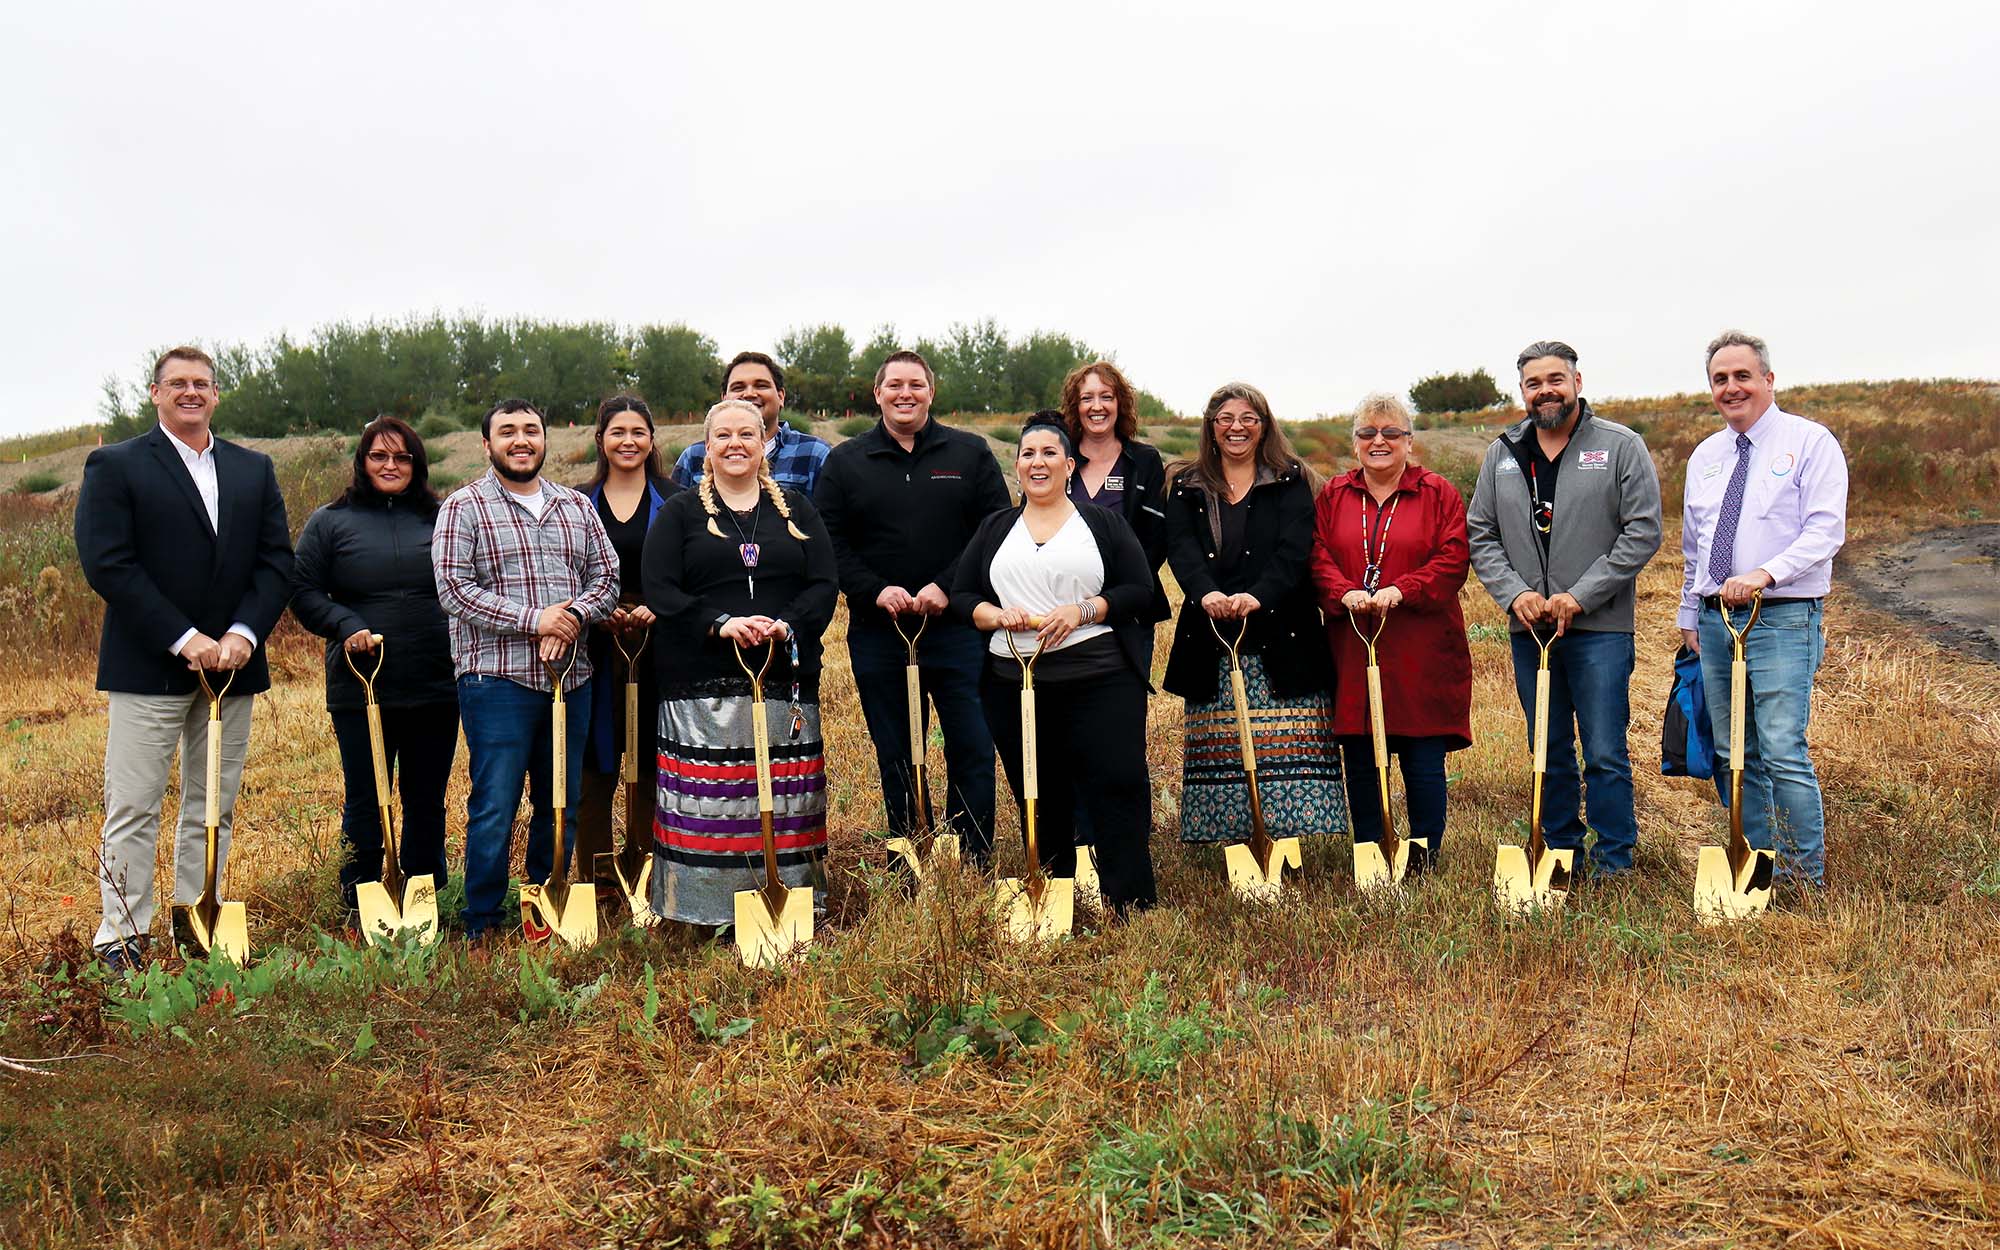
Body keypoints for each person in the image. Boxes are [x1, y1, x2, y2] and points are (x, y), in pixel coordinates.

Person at [74, 345, 294, 968]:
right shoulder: (115, 465)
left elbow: (276, 562)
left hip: (231, 670)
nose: (190, 392)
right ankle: (122, 938)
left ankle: (200, 926)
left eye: (201, 383)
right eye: (178, 384)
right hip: (149, 667)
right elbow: (108, 563)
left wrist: (244, 634)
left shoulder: (254, 469)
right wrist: (183, 636)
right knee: (134, 805)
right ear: (155, 393)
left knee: (213, 806)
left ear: (216, 395)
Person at [1467, 341, 1662, 880]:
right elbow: (1480, 534)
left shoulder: (1621, 446)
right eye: (1533, 382)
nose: (1545, 390)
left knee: (1603, 751)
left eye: (1555, 379)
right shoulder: (1501, 454)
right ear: (1522, 391)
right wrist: (1514, 594)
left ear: (1577, 382)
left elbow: (1643, 530)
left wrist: (1582, 595)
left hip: (1598, 627)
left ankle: (1614, 861)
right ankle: (1560, 855)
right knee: (1547, 750)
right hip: (1530, 630)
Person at [642, 399, 838, 926]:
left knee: (781, 796)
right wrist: (720, 622)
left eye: (746, 435)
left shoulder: (796, 509)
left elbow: (823, 582)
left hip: (781, 676)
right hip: (699, 681)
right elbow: (660, 587)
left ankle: (790, 903)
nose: (735, 444)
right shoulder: (681, 512)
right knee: (718, 802)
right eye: (723, 435)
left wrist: (787, 624)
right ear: (707, 448)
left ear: (762, 444)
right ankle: (705, 908)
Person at [952, 416, 1158, 911]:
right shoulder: (996, 527)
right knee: (1037, 792)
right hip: (1014, 682)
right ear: (1016, 466)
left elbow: (1140, 590)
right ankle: (1053, 893)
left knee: (1117, 783)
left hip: (1099, 680)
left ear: (1069, 465)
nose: (1036, 462)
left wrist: (1083, 610)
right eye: (1027, 454)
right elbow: (963, 596)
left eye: (1049, 454)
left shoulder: (1102, 523)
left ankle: (1129, 899)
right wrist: (995, 616)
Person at [432, 398, 619, 940]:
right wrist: (535, 620)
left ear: (545, 440)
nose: (521, 440)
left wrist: (573, 617)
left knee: (561, 799)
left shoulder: (575, 507)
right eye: (507, 431)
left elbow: (606, 579)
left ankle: (545, 907)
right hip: (497, 680)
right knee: (495, 802)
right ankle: (483, 919)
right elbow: (453, 589)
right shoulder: (464, 507)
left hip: (571, 678)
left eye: (531, 431)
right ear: (485, 443)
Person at [816, 349, 1013, 863]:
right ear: (877, 393)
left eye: (916, 385)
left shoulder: (970, 454)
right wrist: (873, 589)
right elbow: (828, 540)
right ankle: (908, 855)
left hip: (957, 631)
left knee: (971, 743)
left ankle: (971, 853)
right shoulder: (846, 462)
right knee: (898, 751)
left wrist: (948, 587)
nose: (906, 394)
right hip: (879, 633)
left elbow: (994, 531)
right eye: (894, 385)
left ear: (932, 392)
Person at [1678, 330, 1847, 889]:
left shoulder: (1810, 442)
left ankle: (1804, 877)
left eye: (1742, 376)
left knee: (1782, 749)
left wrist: (1763, 574)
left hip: (1780, 614)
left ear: (1768, 380)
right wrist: (1688, 612)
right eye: (1720, 379)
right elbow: (1694, 544)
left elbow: (1825, 530)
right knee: (1734, 751)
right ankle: (1756, 868)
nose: (1732, 388)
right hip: (1714, 619)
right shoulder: (1706, 455)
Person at [1162, 383, 1348, 851]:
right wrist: (1206, 594)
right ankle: (1238, 845)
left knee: (1285, 743)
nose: (1236, 428)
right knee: (1223, 744)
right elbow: (1181, 550)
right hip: (1214, 633)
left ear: (1264, 425)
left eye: (1248, 418)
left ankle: (1287, 844)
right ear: (1211, 427)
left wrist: (1256, 596)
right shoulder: (1187, 486)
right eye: (1225, 419)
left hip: (1283, 630)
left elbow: (1294, 550)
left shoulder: (1292, 480)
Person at [291, 416, 457, 924]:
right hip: (362, 682)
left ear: (417, 463)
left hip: (436, 680)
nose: (391, 465)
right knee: (367, 793)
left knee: (426, 798)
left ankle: (425, 898)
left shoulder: (443, 516)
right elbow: (303, 590)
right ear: (362, 463)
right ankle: (360, 897)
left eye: (402, 456)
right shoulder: (330, 521)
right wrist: (345, 624)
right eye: (379, 456)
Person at [1309, 394, 1472, 871]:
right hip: (1354, 642)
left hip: (1419, 642)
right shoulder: (1334, 495)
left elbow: (1452, 557)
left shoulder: (1438, 492)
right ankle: (1371, 853)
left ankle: (1424, 857)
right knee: (1362, 752)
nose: (1378, 441)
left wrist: (1404, 589)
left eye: (1390, 433)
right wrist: (1343, 591)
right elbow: (1317, 554)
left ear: (1408, 441)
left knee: (1421, 754)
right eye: (1367, 433)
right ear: (1355, 443)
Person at [574, 395, 679, 898]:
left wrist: (659, 608)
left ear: (652, 441)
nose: (628, 441)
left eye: (638, 432)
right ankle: (597, 880)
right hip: (595, 644)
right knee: (598, 762)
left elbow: (689, 573)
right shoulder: (575, 502)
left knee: (650, 756)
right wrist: (596, 611)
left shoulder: (677, 500)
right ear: (601, 440)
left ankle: (646, 869)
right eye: (618, 432)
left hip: (658, 642)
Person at [1060, 360, 1171, 651]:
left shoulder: (1144, 461)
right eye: (1087, 398)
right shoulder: (1056, 459)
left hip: (1128, 614)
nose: (1097, 406)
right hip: (1062, 611)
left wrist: (1117, 594)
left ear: (1120, 403)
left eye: (1106, 396)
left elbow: (1157, 540)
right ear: (1075, 406)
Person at [671, 351, 832, 494]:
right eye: (738, 387)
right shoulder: (694, 457)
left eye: (761, 385)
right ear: (724, 399)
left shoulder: (816, 454)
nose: (749, 394)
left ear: (781, 396)